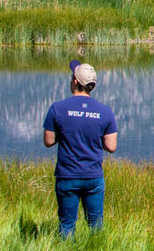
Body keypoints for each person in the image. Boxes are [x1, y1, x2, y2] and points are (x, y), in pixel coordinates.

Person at [42, 60, 118, 238]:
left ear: (75, 82)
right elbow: (111, 147)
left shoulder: (57, 109)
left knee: (67, 224)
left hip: (67, 175)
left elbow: (48, 141)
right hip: (93, 176)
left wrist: (66, 132)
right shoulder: (105, 112)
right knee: (96, 224)